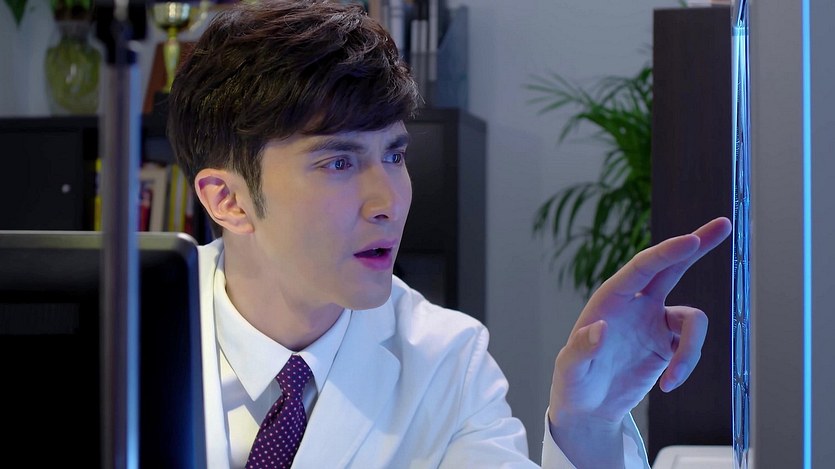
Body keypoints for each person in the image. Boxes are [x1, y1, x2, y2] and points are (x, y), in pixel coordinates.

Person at [167, 1, 732, 467]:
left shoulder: (447, 360)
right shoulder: (130, 337)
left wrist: (589, 427)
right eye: (338, 162)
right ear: (228, 200)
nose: (390, 202)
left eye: (394, 155)